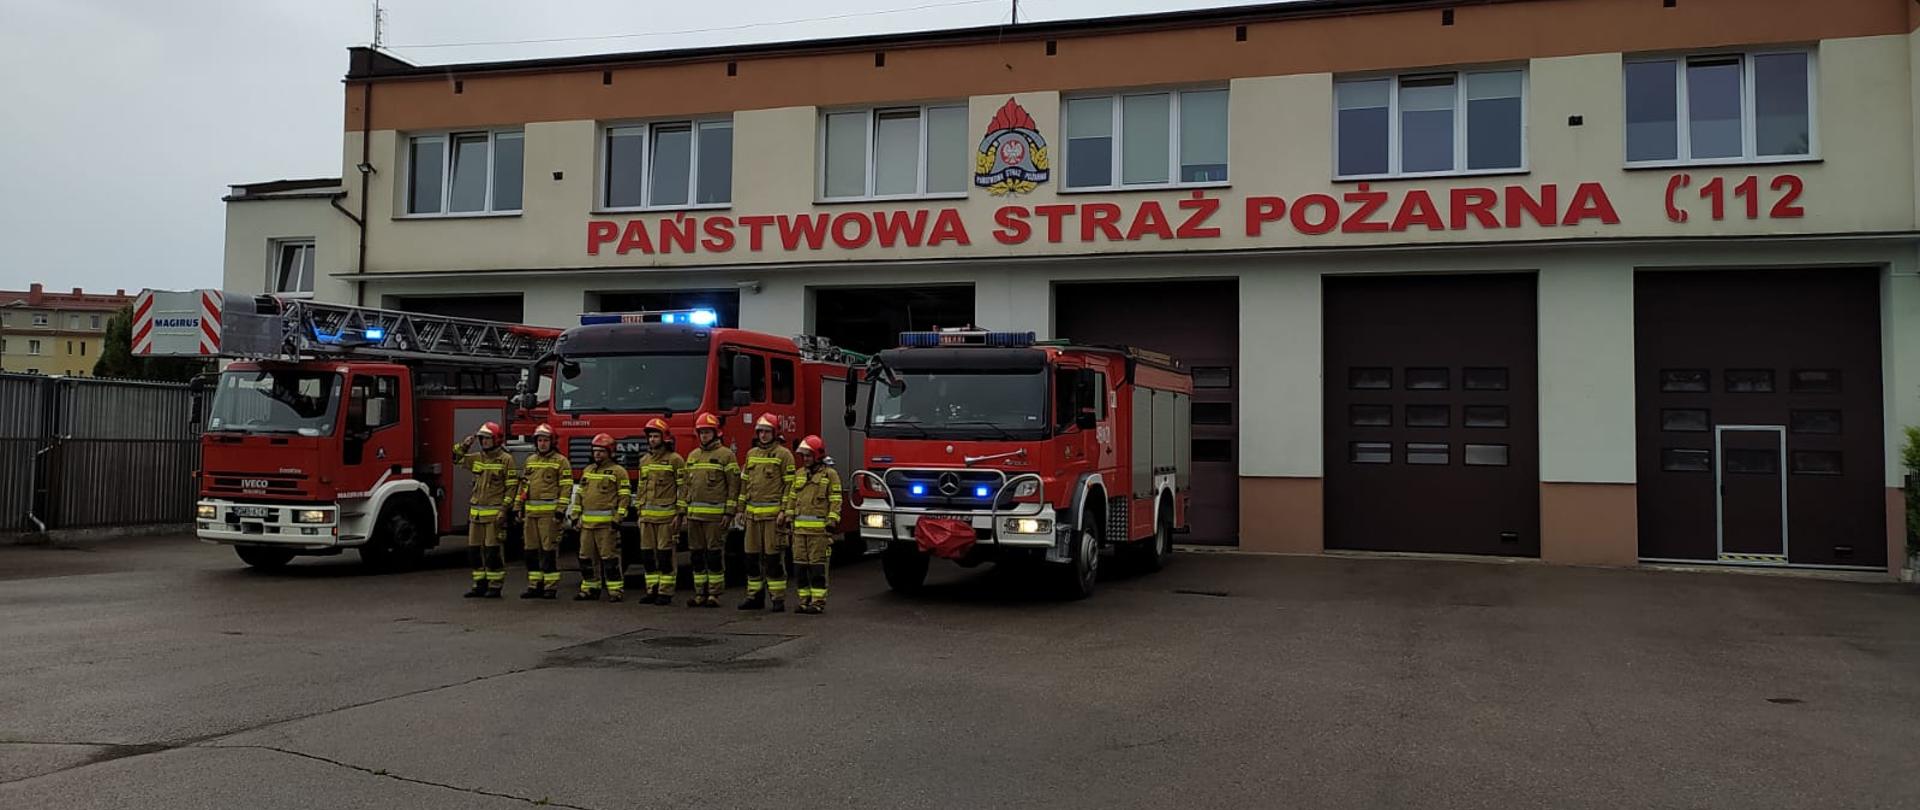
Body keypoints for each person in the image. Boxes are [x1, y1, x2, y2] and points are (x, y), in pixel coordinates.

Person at [682, 412, 741, 608]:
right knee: (696, 555)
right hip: (694, 517)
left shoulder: (726, 455)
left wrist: (729, 512)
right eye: (701, 432)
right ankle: (700, 593)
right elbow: (686, 487)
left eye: (708, 432)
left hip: (716, 518)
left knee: (714, 555)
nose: (704, 436)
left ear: (716, 433)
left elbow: (733, 485)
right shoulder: (692, 456)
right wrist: (683, 512)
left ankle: (714, 594)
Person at [454, 422, 518, 599]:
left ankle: (495, 585)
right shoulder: (477, 458)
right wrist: (465, 444)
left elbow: (511, 487)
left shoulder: (506, 460)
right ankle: (479, 584)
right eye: (482, 439)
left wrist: (504, 510)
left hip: (494, 516)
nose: (485, 442)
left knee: (493, 552)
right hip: (476, 515)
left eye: (488, 438)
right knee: (474, 551)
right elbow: (455, 457)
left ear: (496, 439)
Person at [738, 414, 795, 612]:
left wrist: (784, 511)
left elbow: (790, 486)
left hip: (773, 518)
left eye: (767, 431)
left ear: (775, 432)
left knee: (773, 560)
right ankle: (754, 596)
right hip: (752, 517)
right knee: (751, 558)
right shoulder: (751, 453)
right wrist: (740, 509)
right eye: (760, 431)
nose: (763, 435)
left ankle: (777, 598)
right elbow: (744, 484)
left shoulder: (784, 455)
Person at [781, 435, 841, 615]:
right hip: (799, 533)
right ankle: (804, 600)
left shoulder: (830, 475)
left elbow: (836, 500)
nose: (805, 459)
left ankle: (818, 602)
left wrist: (831, 523)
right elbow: (792, 499)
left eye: (809, 455)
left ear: (818, 455)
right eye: (804, 456)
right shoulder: (799, 475)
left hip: (819, 534)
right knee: (799, 568)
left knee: (817, 568)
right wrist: (788, 519)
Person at [568, 433, 630, 602]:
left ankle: (615, 591)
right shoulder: (588, 470)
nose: (597, 454)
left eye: (601, 451)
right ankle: (590, 588)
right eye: (595, 451)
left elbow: (624, 498)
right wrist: (575, 516)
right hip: (587, 526)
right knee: (586, 558)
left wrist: (619, 518)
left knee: (610, 560)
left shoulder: (619, 472)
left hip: (607, 526)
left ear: (610, 452)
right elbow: (580, 495)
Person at [633, 418, 687, 605]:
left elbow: (682, 489)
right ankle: (651, 590)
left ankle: (666, 592)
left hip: (666, 518)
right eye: (650, 437)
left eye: (656, 436)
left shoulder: (675, 460)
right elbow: (641, 488)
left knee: (665, 556)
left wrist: (679, 514)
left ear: (664, 438)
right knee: (648, 555)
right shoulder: (644, 461)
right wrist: (639, 511)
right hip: (647, 518)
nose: (652, 440)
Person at [516, 424, 573, 599]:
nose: (542, 444)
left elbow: (566, 487)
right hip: (531, 515)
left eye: (545, 440)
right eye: (539, 440)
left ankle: (550, 587)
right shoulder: (530, 460)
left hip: (549, 516)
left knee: (549, 551)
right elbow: (524, 486)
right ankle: (534, 585)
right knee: (530, 551)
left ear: (552, 442)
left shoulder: (561, 461)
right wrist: (518, 506)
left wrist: (561, 510)